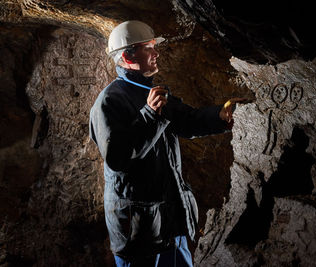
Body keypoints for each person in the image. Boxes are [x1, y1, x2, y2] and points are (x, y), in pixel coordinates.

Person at [89, 20, 242, 267]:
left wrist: (220, 117)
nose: (156, 52)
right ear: (128, 56)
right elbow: (117, 158)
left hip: (169, 221)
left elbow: (187, 121)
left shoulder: (152, 92)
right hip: (138, 231)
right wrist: (149, 114)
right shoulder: (109, 102)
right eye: (148, 48)